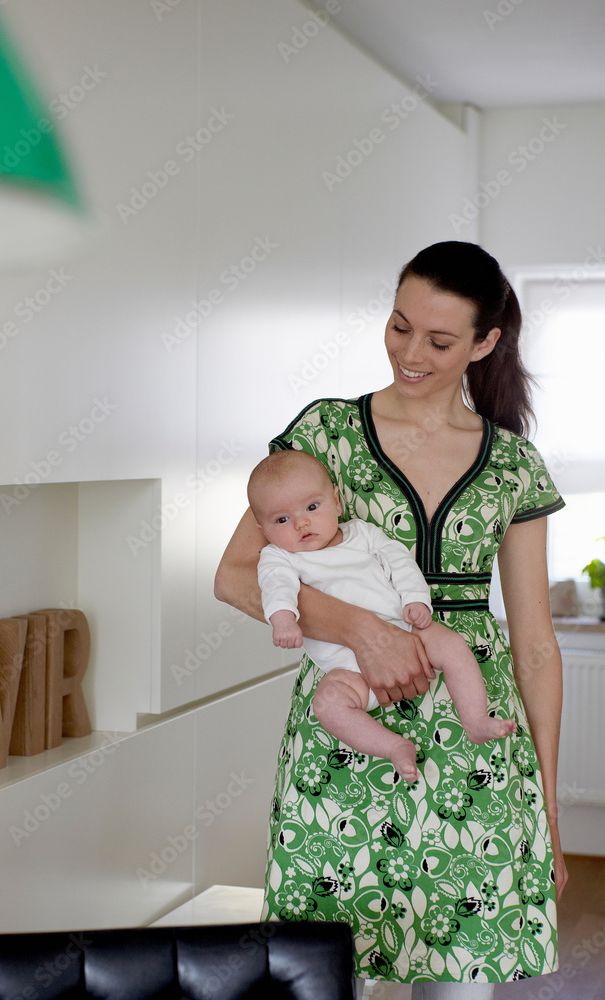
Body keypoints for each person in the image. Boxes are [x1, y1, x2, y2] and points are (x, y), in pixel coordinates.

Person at [215, 241, 567, 998]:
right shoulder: (324, 434)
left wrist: (547, 807)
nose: (409, 353)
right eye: (400, 326)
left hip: (477, 762)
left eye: (438, 341)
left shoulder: (513, 463)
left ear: (484, 343)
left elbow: (536, 645)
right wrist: (360, 628)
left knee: (461, 981)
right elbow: (235, 575)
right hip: (346, 744)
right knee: (321, 975)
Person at [249, 449, 516, 783]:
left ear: (336, 501)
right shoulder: (279, 557)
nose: (301, 523)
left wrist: (415, 599)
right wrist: (283, 620)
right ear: (262, 528)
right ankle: (393, 747)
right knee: (328, 704)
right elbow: (276, 587)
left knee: (451, 645)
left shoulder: (362, 534)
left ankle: (475, 720)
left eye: (312, 507)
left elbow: (399, 562)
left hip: (406, 631)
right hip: (348, 668)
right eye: (282, 520)